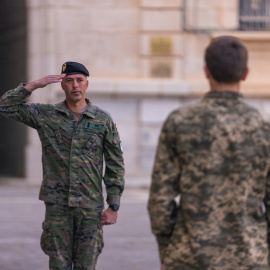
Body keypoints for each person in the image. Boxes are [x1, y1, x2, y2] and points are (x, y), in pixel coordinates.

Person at [148, 35, 270, 270]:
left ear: (206, 71)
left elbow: (160, 199)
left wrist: (167, 250)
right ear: (245, 73)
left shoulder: (180, 121)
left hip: (189, 257)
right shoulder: (264, 126)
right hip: (250, 257)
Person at [0, 61, 125, 270]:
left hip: (89, 206)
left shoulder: (103, 120)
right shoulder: (46, 115)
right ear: (62, 85)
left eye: (79, 80)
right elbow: (5, 106)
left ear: (86, 84)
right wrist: (34, 85)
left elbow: (115, 163)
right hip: (58, 207)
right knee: (58, 265)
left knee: (87, 266)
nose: (75, 85)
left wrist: (113, 205)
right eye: (69, 81)